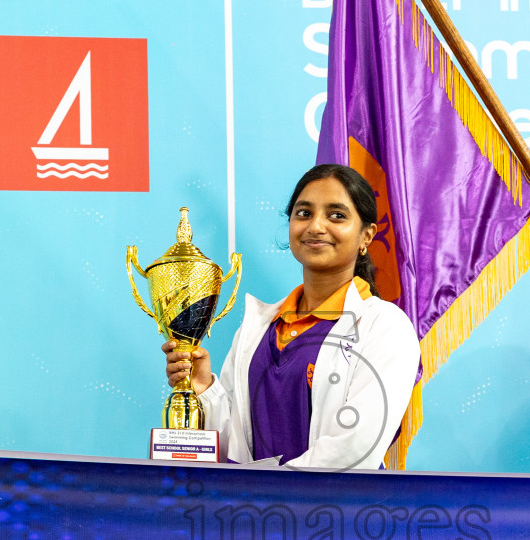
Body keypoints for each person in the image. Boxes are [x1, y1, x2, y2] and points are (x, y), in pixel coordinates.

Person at [164, 164, 421, 470]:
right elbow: (236, 447)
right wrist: (204, 388)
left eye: (336, 215)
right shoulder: (258, 327)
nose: (316, 226)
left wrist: (268, 491)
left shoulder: (386, 326)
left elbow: (355, 447)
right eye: (304, 213)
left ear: (366, 236)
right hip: (254, 500)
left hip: (333, 502)